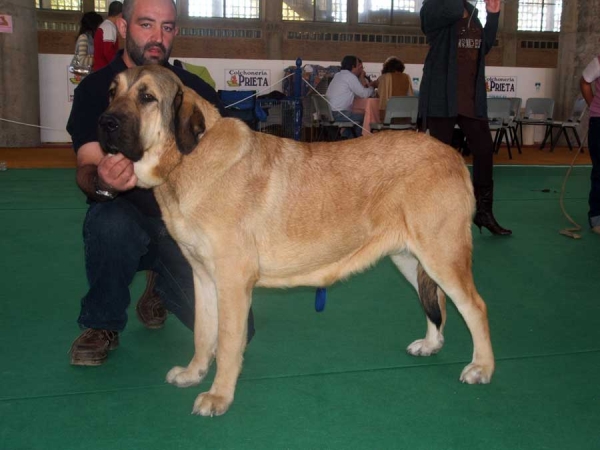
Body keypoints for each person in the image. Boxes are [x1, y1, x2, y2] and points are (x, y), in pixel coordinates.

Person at [66, 0, 255, 366]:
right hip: (129, 216)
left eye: (167, 27)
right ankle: (102, 323)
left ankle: (160, 287)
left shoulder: (195, 91)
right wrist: (103, 182)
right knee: (109, 222)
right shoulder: (94, 89)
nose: (158, 37)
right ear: (123, 27)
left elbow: (229, 159)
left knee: (240, 332)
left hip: (187, 226)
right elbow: (86, 168)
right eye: (147, 24)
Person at [418, 0, 511, 236]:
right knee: (439, 159)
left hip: (471, 98)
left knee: (484, 150)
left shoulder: (472, 12)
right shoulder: (433, 7)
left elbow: (484, 46)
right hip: (442, 97)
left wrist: (493, 16)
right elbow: (450, 10)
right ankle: (436, 215)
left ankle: (483, 212)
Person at [326, 55, 378, 137]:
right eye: (359, 66)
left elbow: (358, 93)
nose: (361, 69)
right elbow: (364, 94)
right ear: (353, 66)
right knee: (367, 117)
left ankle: (347, 136)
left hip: (329, 113)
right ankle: (356, 140)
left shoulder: (338, 75)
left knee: (360, 114)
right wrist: (372, 87)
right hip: (339, 114)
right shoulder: (350, 77)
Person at [580, 55, 600, 235]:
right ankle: (596, 217)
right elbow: (585, 82)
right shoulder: (598, 62)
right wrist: (593, 103)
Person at [377, 56, 414, 120]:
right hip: (405, 115)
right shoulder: (407, 77)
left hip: (389, 115)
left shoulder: (384, 77)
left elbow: (379, 94)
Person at [93, 1, 123, 71]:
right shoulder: (109, 27)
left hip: (100, 69)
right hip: (104, 69)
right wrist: (117, 66)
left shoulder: (105, 25)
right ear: (120, 15)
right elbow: (108, 51)